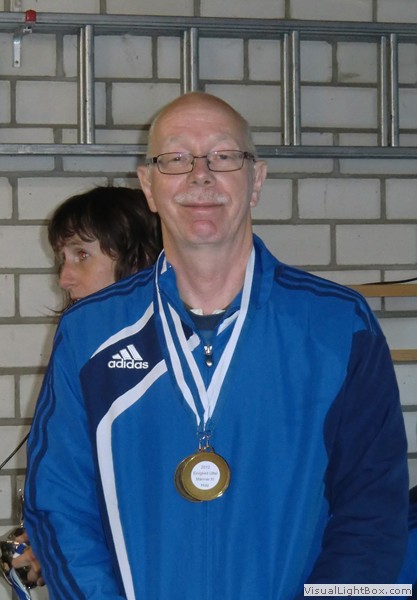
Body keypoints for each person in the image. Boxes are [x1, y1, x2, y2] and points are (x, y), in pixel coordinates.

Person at [23, 92, 408, 600]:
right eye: (176, 158)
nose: (200, 175)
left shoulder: (337, 324)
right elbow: (58, 502)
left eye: (224, 156)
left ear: (256, 180)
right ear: (149, 186)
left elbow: (373, 508)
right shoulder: (90, 331)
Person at [7, 185, 162, 591]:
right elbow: (69, 487)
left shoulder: (189, 359)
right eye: (62, 258)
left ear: (138, 258)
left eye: (82, 255)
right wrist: (51, 545)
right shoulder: (81, 347)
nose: (64, 277)